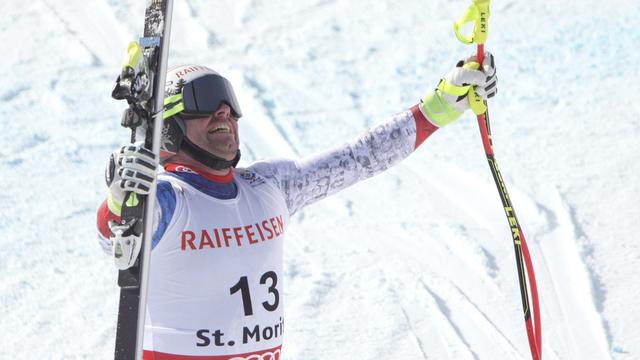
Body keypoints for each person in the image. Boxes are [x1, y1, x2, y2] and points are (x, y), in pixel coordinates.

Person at [96, 55, 497, 360]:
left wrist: (442, 104)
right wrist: (119, 201)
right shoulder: (168, 198)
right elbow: (116, 237)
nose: (224, 111)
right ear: (170, 126)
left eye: (228, 101)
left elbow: (359, 158)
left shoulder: (268, 187)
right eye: (203, 100)